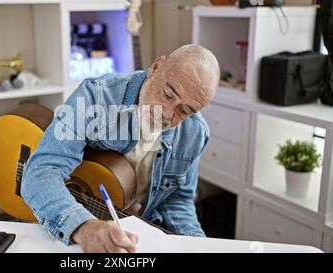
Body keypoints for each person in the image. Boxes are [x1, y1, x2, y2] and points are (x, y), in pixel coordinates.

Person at [21, 44, 220, 253]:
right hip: (75, 230)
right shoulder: (95, 97)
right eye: (168, 94)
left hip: (140, 237)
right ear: (156, 67)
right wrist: (83, 227)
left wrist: (198, 244)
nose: (168, 113)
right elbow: (41, 171)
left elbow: (177, 200)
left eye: (185, 110)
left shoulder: (195, 133)